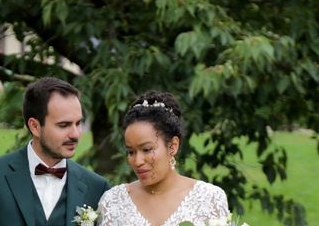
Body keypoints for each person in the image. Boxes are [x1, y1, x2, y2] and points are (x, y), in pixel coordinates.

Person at [0, 77, 110, 226]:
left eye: (78, 123)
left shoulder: (96, 187)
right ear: (34, 126)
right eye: (64, 125)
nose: (75, 134)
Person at [97, 91, 229, 226]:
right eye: (131, 152)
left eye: (147, 149)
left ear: (172, 146)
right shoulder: (112, 202)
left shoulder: (210, 198)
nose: (137, 161)